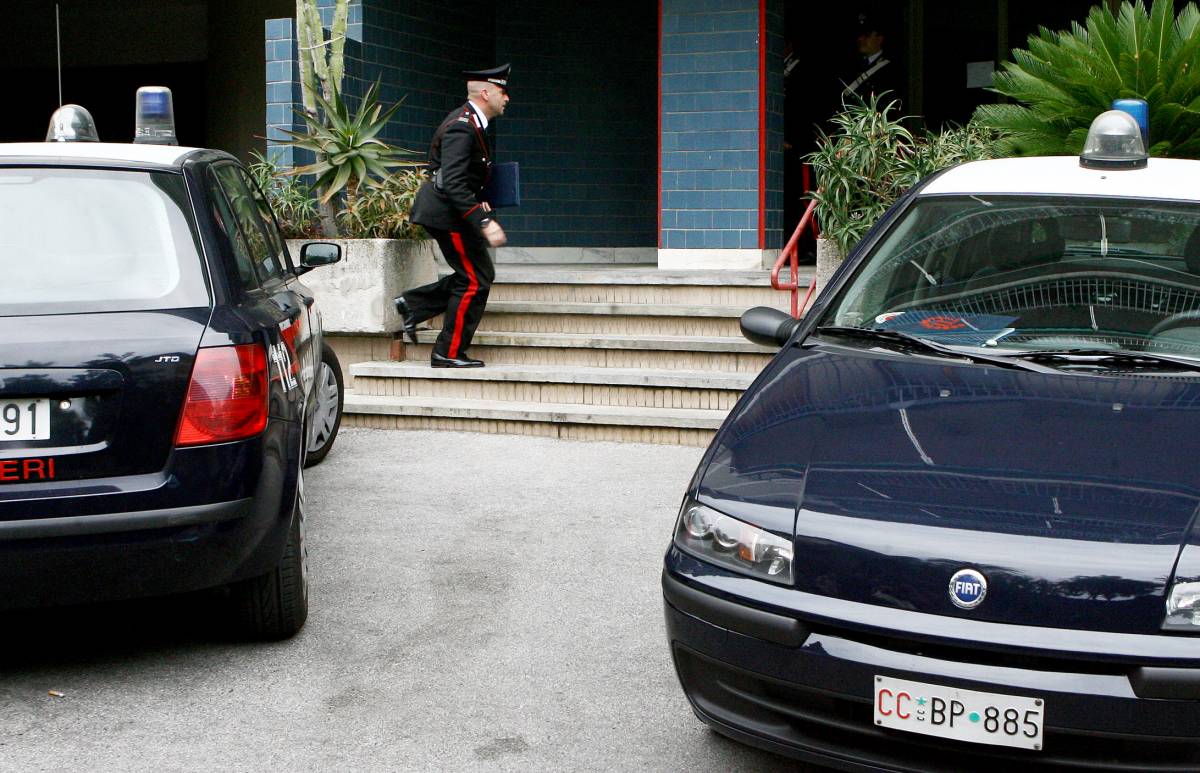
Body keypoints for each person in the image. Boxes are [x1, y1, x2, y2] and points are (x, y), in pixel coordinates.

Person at [394, 64, 511, 368]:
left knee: (478, 275)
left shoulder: (472, 122)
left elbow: (461, 179)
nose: (507, 98)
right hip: (448, 214)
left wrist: (481, 202)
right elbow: (453, 182)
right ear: (485, 93)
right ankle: (447, 352)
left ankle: (414, 304)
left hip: (453, 211)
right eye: (502, 91)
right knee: (474, 280)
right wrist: (483, 221)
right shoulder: (462, 125)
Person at [840, 12, 900, 107]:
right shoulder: (851, 65)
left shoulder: (891, 70)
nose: (860, 39)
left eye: (867, 35)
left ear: (879, 39)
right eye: (859, 35)